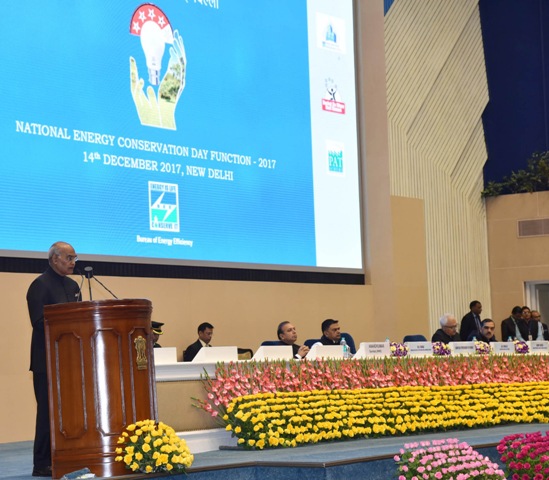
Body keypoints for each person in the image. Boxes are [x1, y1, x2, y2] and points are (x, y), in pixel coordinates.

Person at [26, 242, 80, 477]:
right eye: (69, 258)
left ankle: (66, 456)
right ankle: (42, 463)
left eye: (74, 258)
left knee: (70, 411)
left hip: (70, 360)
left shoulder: (73, 285)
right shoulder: (39, 285)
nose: (73, 262)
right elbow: (39, 322)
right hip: (46, 360)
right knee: (48, 412)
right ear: (55, 259)